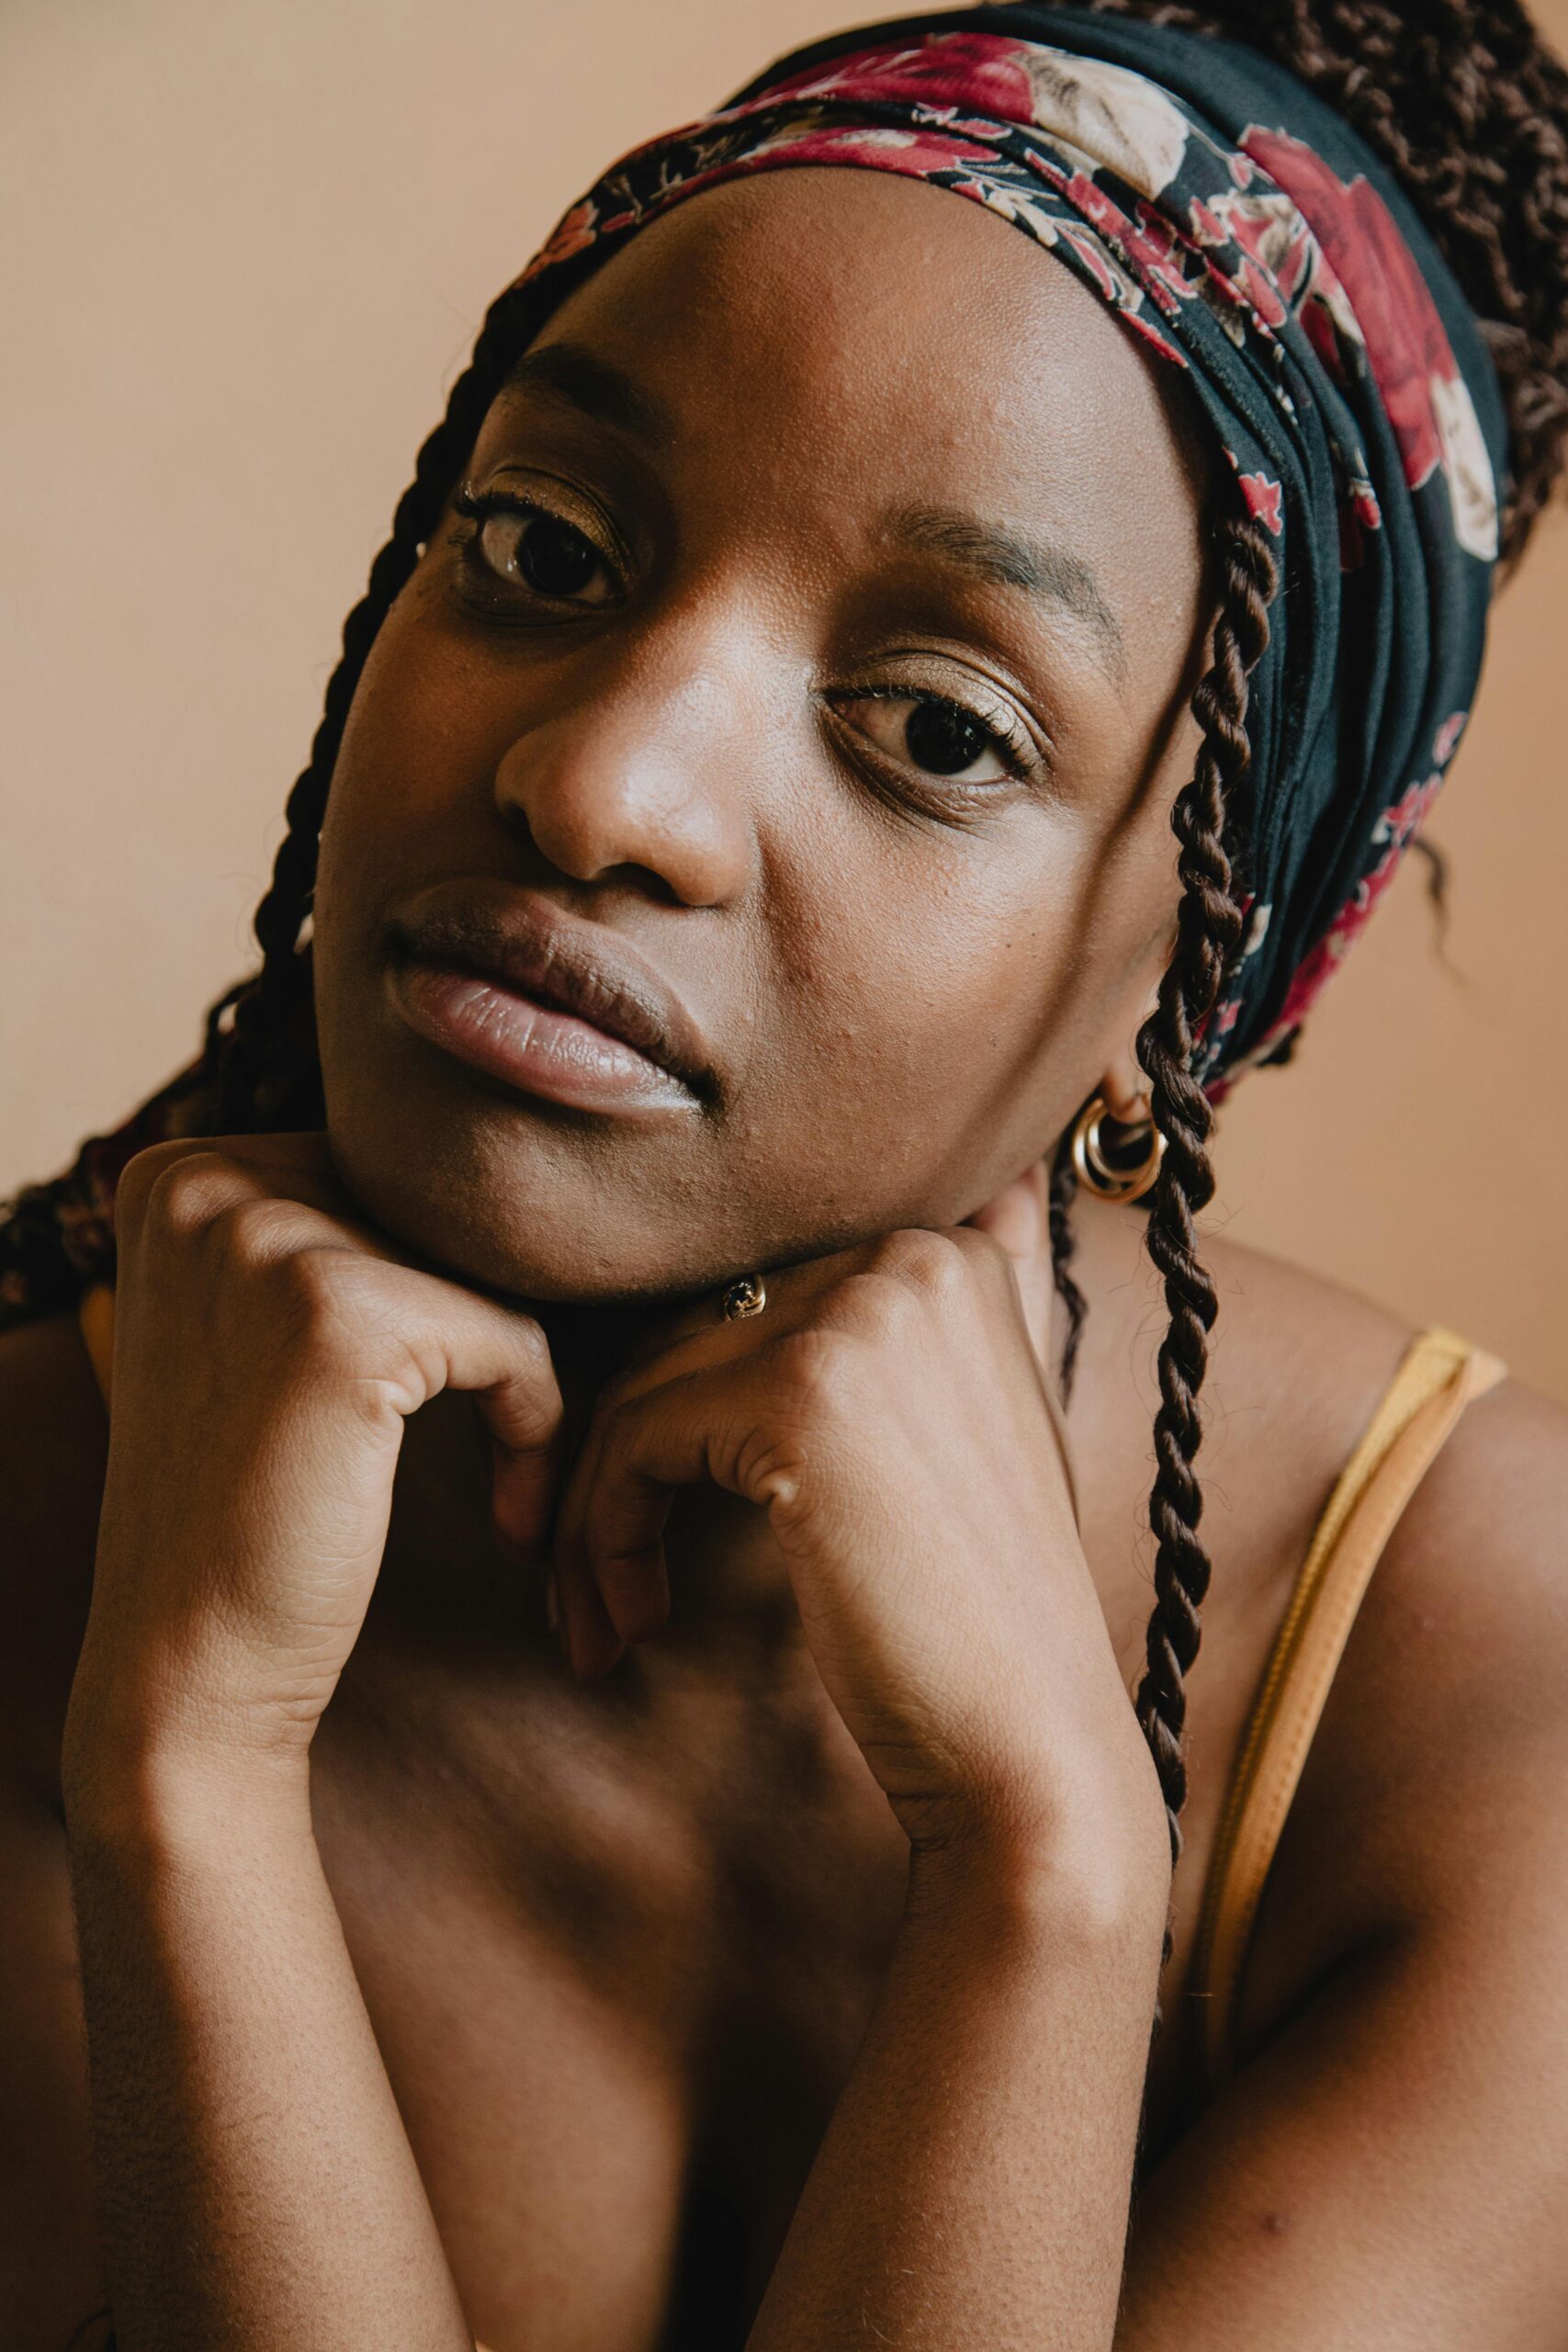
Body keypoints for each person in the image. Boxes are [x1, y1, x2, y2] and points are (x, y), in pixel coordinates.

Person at [3, 1, 1567, 2343]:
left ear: (1206, 962)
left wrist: (1041, 1866)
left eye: (940, 727)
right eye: (539, 545)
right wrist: (191, 1783)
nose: (606, 782)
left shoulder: (1472, 1681)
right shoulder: (33, 1526)